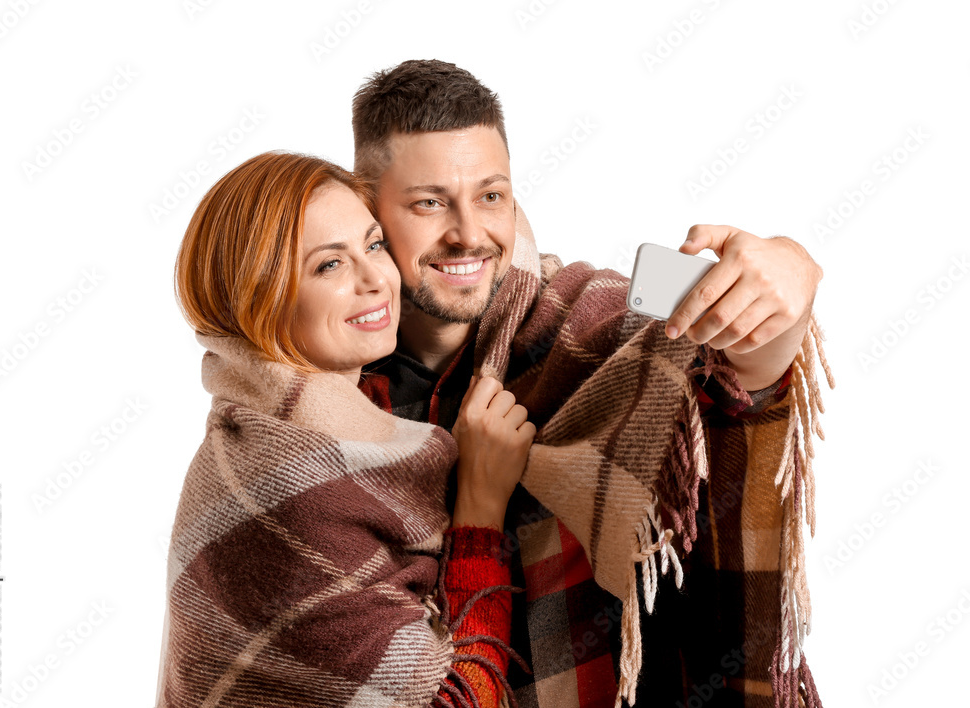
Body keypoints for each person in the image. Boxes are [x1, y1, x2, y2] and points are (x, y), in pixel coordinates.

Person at [353, 60, 832, 708]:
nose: (469, 232)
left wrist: (789, 283)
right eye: (430, 202)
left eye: (491, 195)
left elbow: (725, 380)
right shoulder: (321, 396)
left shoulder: (580, 321)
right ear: (366, 208)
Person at [155, 151, 536, 707]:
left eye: (374, 244)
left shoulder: (289, 418)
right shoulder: (290, 480)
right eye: (329, 265)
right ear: (259, 298)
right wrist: (480, 504)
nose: (376, 280)